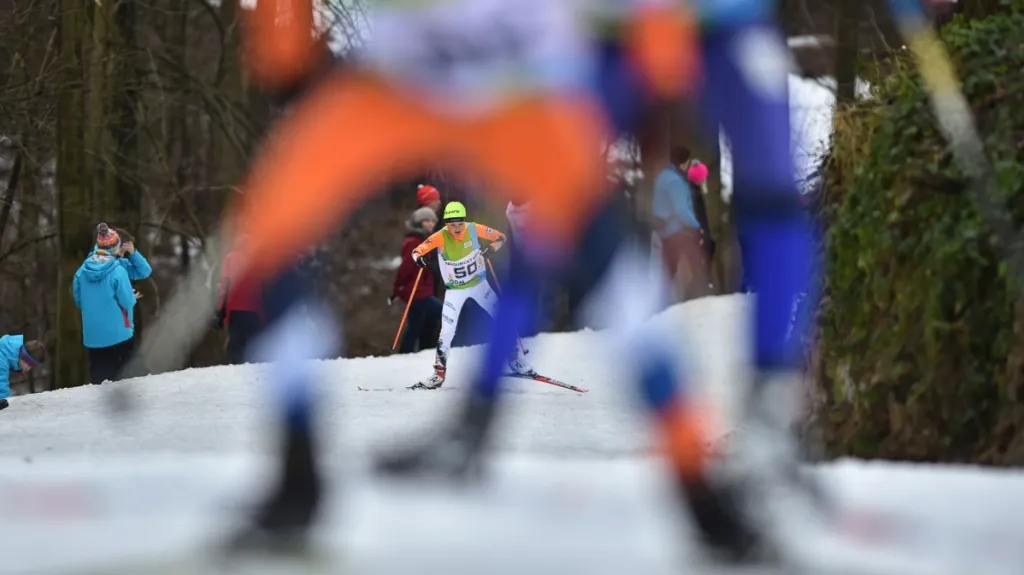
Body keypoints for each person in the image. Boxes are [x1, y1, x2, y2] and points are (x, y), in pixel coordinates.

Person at [408, 201, 535, 389]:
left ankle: (514, 358)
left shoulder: (473, 229)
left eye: (460, 223)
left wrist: (491, 248)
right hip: (455, 291)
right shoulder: (440, 236)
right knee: (447, 331)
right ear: (446, 224)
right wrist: (420, 259)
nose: (457, 229)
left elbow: (500, 237)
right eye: (452, 225)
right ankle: (438, 374)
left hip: (479, 285)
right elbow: (416, 251)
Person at [74, 223, 143, 385]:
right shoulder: (118, 271)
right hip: (119, 333)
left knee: (100, 380)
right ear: (116, 247)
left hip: (93, 336)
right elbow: (127, 301)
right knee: (133, 376)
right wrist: (133, 297)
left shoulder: (81, 271)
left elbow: (79, 301)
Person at [653, 145, 709, 300]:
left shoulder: (662, 176)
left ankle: (662, 303)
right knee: (696, 264)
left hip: (664, 230)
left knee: (669, 272)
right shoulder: (675, 181)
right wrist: (697, 227)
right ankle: (699, 298)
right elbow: (682, 210)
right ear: (684, 162)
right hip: (676, 231)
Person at [391, 206, 443, 354]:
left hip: (421, 289)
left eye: (432, 221)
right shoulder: (414, 242)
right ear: (419, 222)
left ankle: (405, 353)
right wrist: (398, 288)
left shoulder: (425, 240)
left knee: (414, 326)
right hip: (417, 291)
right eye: (426, 220)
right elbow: (406, 267)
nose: (430, 224)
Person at [217, 235, 267, 364]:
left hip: (235, 308)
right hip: (255, 309)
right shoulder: (260, 260)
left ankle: (238, 368)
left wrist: (220, 309)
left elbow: (224, 285)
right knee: (255, 345)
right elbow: (266, 286)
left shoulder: (230, 259)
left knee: (236, 344)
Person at [0, 335, 45, 410]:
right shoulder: (2, 358)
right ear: (23, 357)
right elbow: (1, 381)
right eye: (29, 364)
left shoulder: (7, 354)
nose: (28, 369)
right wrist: (4, 400)